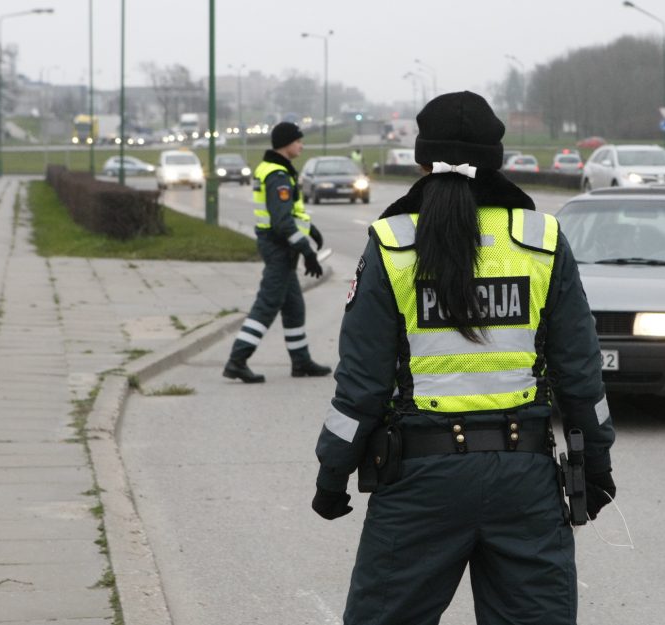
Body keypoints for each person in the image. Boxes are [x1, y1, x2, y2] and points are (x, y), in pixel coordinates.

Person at [311, 91, 616, 624]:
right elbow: (580, 374)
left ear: (421, 161)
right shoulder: (541, 240)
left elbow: (360, 386)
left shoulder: (391, 244)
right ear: (496, 160)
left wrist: (332, 475)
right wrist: (597, 463)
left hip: (417, 482)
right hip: (525, 480)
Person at [222, 122, 332, 383]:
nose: (301, 145)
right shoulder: (278, 176)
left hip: (281, 247)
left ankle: (300, 361)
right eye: (298, 141)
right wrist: (308, 252)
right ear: (286, 143)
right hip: (279, 247)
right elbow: (282, 222)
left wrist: (311, 230)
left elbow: (290, 213)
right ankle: (237, 360)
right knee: (267, 305)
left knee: (294, 306)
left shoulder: (277, 170)